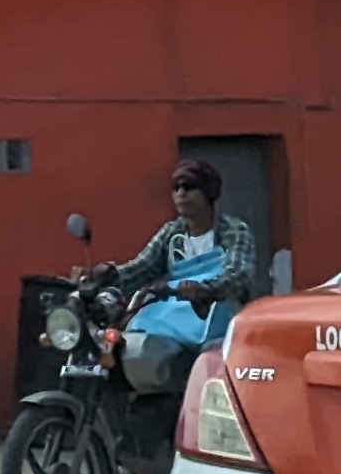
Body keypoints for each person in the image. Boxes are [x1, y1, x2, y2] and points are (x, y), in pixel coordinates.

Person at [112, 156, 261, 392]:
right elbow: (141, 267)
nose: (181, 194)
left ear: (208, 193)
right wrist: (107, 275)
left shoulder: (234, 231)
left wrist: (206, 289)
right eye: (176, 188)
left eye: (189, 187)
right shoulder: (172, 233)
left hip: (216, 314)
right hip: (171, 312)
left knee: (211, 368)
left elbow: (238, 273)